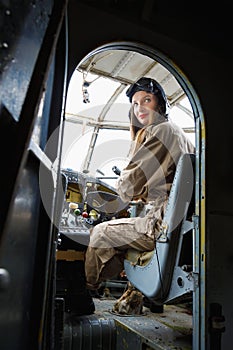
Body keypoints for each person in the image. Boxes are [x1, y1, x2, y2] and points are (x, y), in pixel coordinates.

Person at [84, 77, 195, 290]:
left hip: (159, 223)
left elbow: (128, 188)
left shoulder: (160, 130)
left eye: (146, 100)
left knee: (100, 233)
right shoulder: (178, 133)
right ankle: (130, 302)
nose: (139, 108)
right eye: (135, 104)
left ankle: (86, 290)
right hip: (176, 222)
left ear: (160, 104)